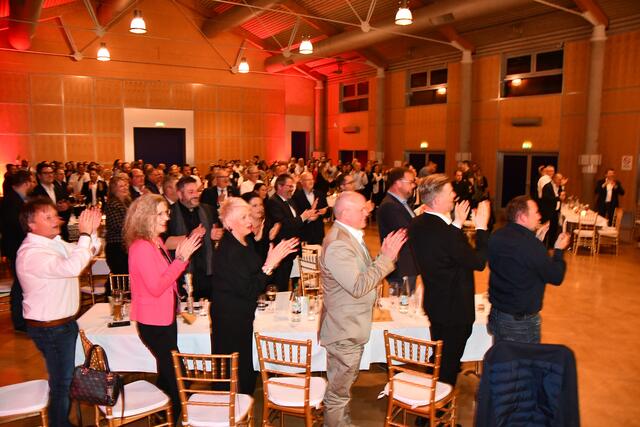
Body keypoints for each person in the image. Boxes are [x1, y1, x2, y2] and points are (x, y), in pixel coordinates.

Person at [320, 191, 406, 427]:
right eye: (361, 209)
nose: (367, 212)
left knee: (343, 389)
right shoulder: (339, 244)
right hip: (344, 330)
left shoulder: (349, 237)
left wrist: (382, 257)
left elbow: (363, 273)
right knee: (338, 395)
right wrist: (386, 258)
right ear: (345, 213)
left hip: (349, 326)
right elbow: (358, 286)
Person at [17, 199, 101, 426]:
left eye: (55, 215)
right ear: (31, 225)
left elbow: (87, 253)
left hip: (62, 324)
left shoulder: (53, 243)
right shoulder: (31, 253)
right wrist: (85, 235)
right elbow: (72, 267)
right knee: (62, 382)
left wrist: (92, 232)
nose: (56, 220)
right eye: (48, 217)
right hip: (50, 328)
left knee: (65, 379)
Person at [125, 194, 203, 420]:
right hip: (153, 322)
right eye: (160, 214)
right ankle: (175, 416)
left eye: (166, 212)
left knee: (168, 370)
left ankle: (161, 413)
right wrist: (181, 260)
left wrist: (180, 258)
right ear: (145, 217)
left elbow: (166, 277)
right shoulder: (141, 247)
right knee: (178, 374)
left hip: (164, 317)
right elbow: (156, 287)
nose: (166, 217)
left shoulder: (156, 241)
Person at [408, 174, 490, 388]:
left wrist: (457, 224)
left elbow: (445, 252)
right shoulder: (447, 233)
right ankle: (439, 407)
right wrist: (482, 227)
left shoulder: (417, 224)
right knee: (449, 364)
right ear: (436, 200)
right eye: (450, 192)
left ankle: (430, 397)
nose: (454, 195)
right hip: (455, 309)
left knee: (438, 356)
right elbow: (479, 262)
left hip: (435, 302)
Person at [210, 197, 297, 394]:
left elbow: (256, 271)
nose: (250, 220)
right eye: (243, 217)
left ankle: (242, 403)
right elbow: (249, 288)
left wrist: (270, 262)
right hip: (230, 318)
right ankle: (231, 407)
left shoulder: (244, 241)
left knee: (243, 369)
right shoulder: (230, 250)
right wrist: (269, 265)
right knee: (232, 372)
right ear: (229, 223)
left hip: (241, 314)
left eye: (249, 215)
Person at [488, 195, 570, 343]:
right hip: (520, 323)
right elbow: (556, 276)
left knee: (502, 355)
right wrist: (558, 250)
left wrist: (536, 241)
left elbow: (516, 264)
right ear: (522, 217)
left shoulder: (496, 236)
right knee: (523, 358)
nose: (540, 216)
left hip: (497, 315)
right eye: (536, 212)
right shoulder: (530, 245)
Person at [165, 176, 222, 299]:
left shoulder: (208, 210)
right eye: (191, 192)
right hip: (182, 275)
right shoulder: (169, 213)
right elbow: (165, 243)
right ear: (180, 194)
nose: (196, 195)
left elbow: (216, 232)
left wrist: (215, 234)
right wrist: (190, 236)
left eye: (197, 191)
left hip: (208, 273)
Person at [265, 174, 317, 291]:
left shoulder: (290, 200)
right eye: (289, 186)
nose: (292, 189)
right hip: (283, 250)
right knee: (281, 283)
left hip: (294, 248)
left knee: (294, 283)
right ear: (279, 186)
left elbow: (297, 222)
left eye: (292, 186)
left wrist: (308, 218)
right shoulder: (273, 202)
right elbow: (283, 225)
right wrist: (302, 217)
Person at [0, 170, 34, 331]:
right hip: (16, 249)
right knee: (20, 285)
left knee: (21, 284)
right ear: (26, 183)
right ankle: (19, 321)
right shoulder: (11, 201)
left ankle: (22, 318)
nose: (33, 185)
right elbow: (15, 227)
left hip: (18, 248)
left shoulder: (17, 199)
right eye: (32, 182)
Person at [377, 167, 419, 291]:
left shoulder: (401, 203)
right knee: (401, 300)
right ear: (398, 183)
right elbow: (406, 232)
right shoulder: (390, 205)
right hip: (401, 266)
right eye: (410, 182)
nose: (413, 185)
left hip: (408, 264)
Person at [104, 175, 131, 275]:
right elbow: (118, 226)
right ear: (114, 189)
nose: (125, 188)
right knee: (120, 277)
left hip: (125, 246)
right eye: (121, 186)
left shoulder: (128, 202)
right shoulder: (113, 204)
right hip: (117, 247)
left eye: (126, 185)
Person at [241, 192, 280, 261]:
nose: (260, 208)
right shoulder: (241, 228)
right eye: (255, 206)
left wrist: (271, 239)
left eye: (261, 204)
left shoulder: (269, 225)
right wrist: (256, 240)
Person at [292, 172, 329, 245]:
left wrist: (324, 212)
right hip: (304, 234)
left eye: (312, 179)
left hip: (318, 233)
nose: (311, 181)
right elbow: (296, 217)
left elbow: (328, 213)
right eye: (308, 180)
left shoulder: (320, 194)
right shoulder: (296, 197)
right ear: (302, 182)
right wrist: (309, 217)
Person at [540, 173, 567, 248]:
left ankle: (551, 247)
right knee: (546, 231)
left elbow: (562, 196)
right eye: (559, 179)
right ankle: (542, 247)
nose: (560, 181)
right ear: (554, 179)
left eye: (561, 179)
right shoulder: (547, 186)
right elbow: (547, 198)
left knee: (554, 230)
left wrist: (563, 187)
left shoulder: (559, 187)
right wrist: (558, 198)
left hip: (555, 212)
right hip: (548, 212)